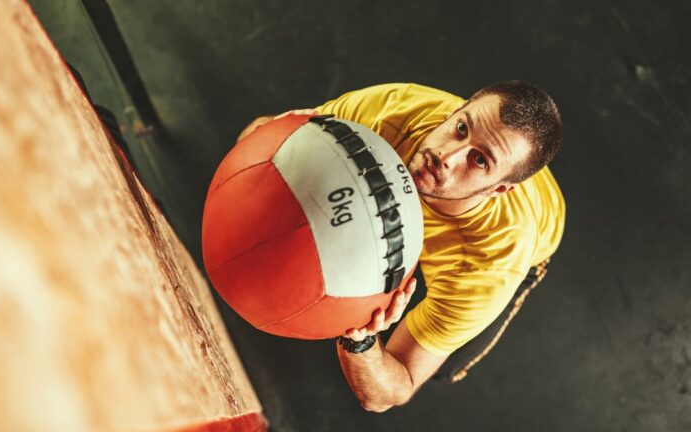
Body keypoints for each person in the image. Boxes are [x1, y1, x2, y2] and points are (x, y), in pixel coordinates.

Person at [238, 82, 564, 412]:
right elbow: (259, 136)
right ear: (454, 112)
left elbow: (387, 394)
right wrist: (273, 139)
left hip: (524, 236)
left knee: (443, 366)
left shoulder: (487, 267)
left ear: (498, 190)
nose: (446, 156)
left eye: (479, 160)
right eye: (461, 129)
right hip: (437, 175)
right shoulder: (392, 112)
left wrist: (360, 338)